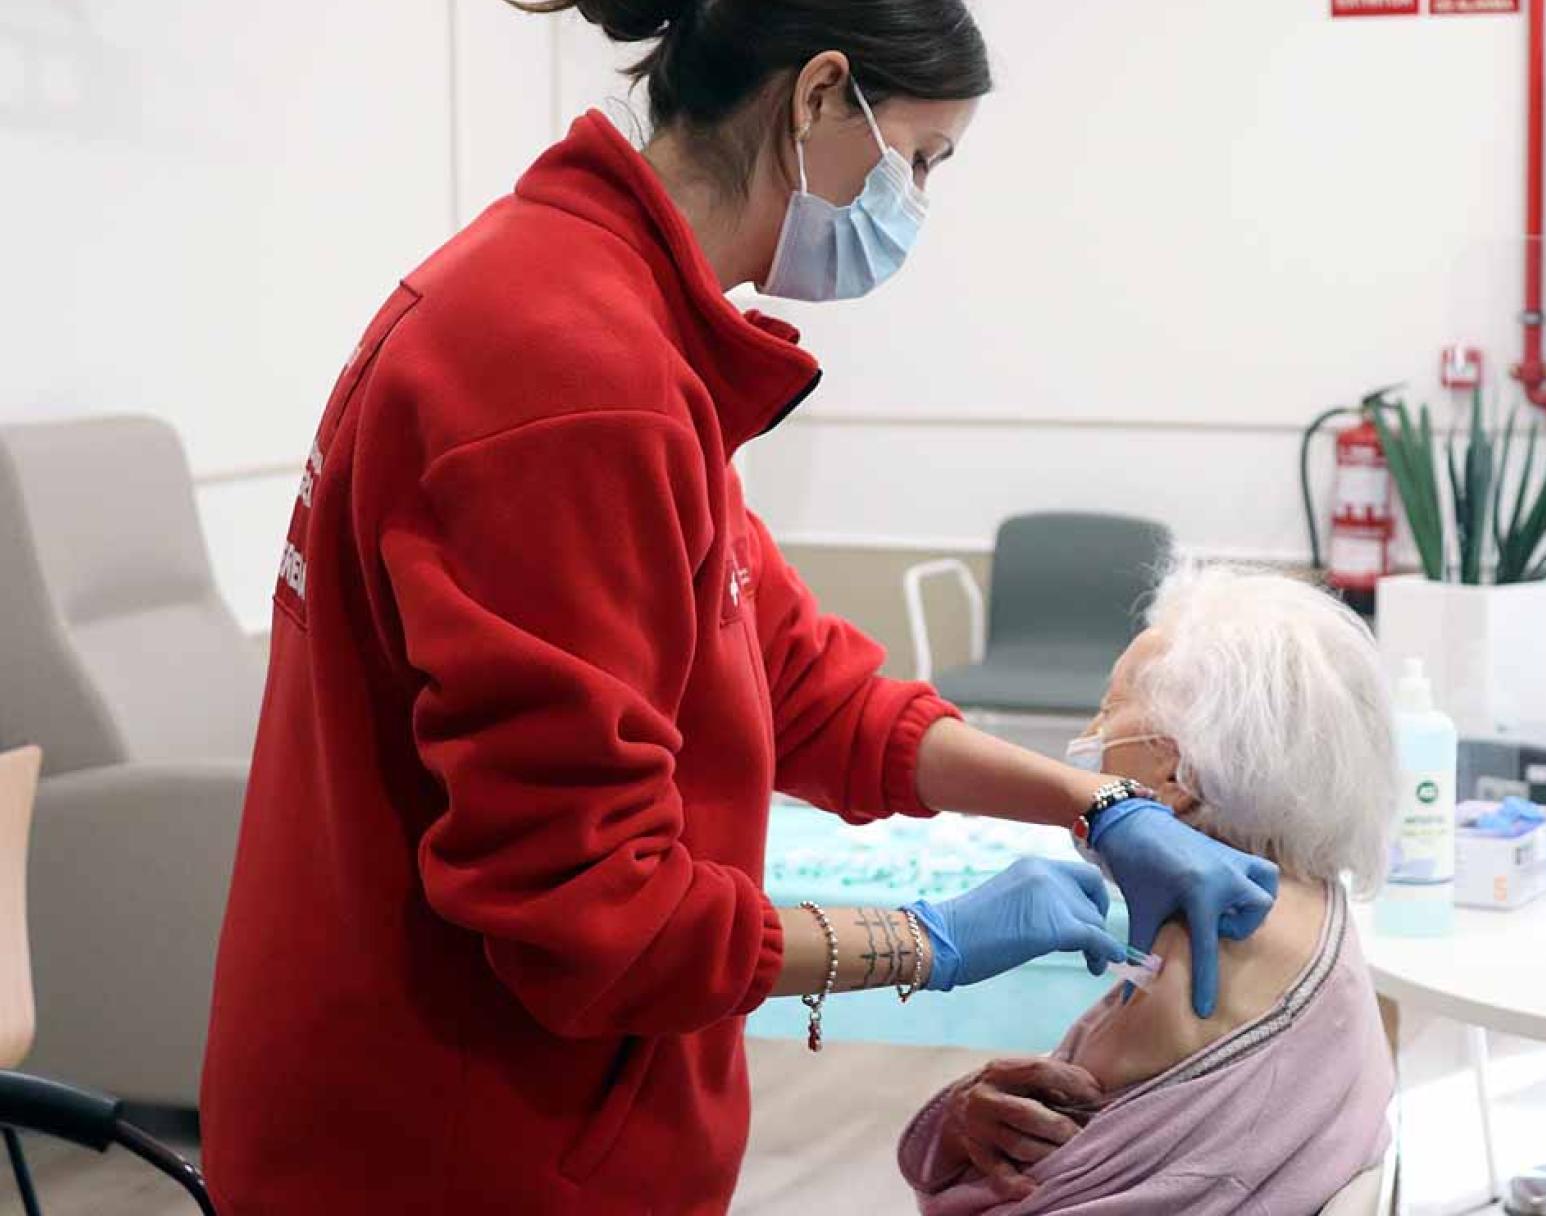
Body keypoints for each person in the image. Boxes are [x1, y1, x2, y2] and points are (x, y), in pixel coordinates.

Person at [198, 2, 1278, 1213]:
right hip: (453, 1148)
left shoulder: (605, 314)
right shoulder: (574, 376)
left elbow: (804, 684)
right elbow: (597, 917)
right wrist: (931, 939)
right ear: (820, 96)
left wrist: (1093, 801)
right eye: (919, 159)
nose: (915, 202)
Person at [898, 565, 1400, 1214]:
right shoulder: (1314, 902)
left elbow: (1004, 1193)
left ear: (1176, 768)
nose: (1093, 738)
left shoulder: (1195, 969)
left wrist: (950, 1121)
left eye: (1109, 709)